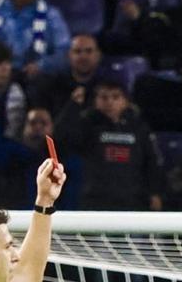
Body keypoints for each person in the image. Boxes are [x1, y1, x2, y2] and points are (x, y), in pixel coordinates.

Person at [54, 79, 164, 211]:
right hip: (95, 200)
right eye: (104, 97)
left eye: (116, 97)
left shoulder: (139, 128)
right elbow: (61, 139)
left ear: (126, 101)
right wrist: (73, 106)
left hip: (133, 200)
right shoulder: (87, 125)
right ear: (96, 101)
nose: (110, 102)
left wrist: (155, 192)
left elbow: (151, 162)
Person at [28, 33, 103, 120]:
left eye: (89, 51)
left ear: (98, 56)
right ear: (68, 56)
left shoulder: (108, 87)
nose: (83, 56)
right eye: (77, 51)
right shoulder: (50, 86)